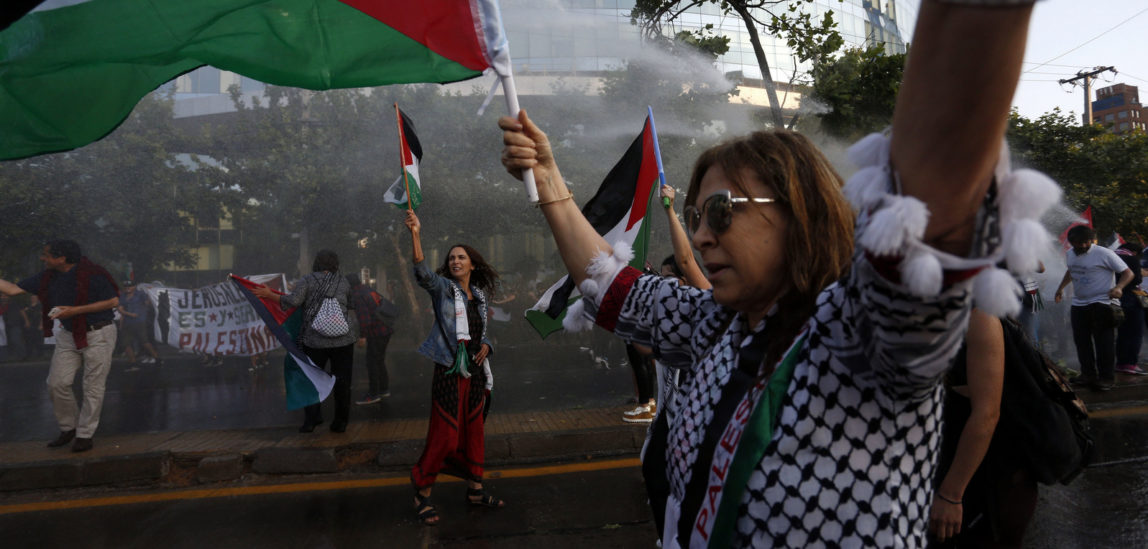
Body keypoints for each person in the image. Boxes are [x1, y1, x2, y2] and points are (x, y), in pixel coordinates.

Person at [500, 0, 1050, 545]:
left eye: (721, 212)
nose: (701, 237)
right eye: (696, 217)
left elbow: (931, 210)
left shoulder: (863, 332)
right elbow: (612, 283)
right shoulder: (715, 323)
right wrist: (549, 180)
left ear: (799, 214)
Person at [403, 210, 504, 526]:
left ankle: (475, 490)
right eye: (451, 258)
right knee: (445, 436)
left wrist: (488, 343)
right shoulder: (443, 289)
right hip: (448, 370)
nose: (455, 262)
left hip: (475, 372)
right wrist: (416, 233)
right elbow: (422, 273)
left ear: (473, 263)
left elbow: (480, 330)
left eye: (461, 257)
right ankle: (421, 493)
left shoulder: (481, 297)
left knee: (474, 431)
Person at [929, 310, 1036, 547]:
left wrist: (951, 495)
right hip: (945, 468)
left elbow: (986, 415)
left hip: (989, 476)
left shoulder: (977, 315)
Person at [0, 240, 119, 452]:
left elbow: (112, 302)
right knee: (56, 383)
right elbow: (11, 289)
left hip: (98, 333)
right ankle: (69, 428)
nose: (42, 258)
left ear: (61, 258)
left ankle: (85, 434)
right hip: (68, 334)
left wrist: (75, 311)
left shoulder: (93, 273)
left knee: (92, 386)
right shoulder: (47, 277)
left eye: (46, 255)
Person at [253, 249, 357, 433]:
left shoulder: (307, 280)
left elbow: (293, 302)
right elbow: (350, 307)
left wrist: (269, 295)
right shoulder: (343, 281)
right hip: (344, 340)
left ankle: (312, 420)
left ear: (317, 263)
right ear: (335, 264)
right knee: (343, 382)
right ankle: (341, 422)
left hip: (314, 341)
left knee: (311, 380)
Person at [1054, 225, 1134, 391]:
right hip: (1079, 304)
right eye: (1079, 243)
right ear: (1071, 242)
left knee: (1103, 342)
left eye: (1086, 242)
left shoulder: (1104, 253)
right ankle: (1087, 374)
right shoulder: (1070, 254)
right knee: (1082, 342)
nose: (1083, 245)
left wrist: (1119, 287)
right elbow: (1071, 271)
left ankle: (1106, 378)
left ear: (1091, 240)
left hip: (1102, 303)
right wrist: (1060, 288)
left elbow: (1128, 273)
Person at [347, 273, 395, 404]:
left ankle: (373, 394)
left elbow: (365, 320)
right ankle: (384, 389)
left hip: (376, 332)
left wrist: (362, 336)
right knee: (379, 360)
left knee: (372, 362)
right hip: (385, 329)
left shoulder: (357, 296)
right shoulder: (367, 289)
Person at [1114, 242, 1147, 375]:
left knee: (1122, 333)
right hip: (1131, 299)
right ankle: (1130, 364)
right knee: (1135, 332)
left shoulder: (1112, 256)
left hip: (1115, 298)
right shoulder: (1131, 258)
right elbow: (1137, 279)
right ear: (1134, 252)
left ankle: (1121, 363)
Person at [117, 281, 162, 366]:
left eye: (130, 286)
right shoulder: (123, 296)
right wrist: (128, 315)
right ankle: (132, 362)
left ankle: (157, 358)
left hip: (140, 322)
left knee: (144, 342)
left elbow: (148, 304)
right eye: (126, 286)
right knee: (125, 344)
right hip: (127, 322)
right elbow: (120, 309)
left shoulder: (140, 294)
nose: (128, 288)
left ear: (134, 287)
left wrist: (150, 293)